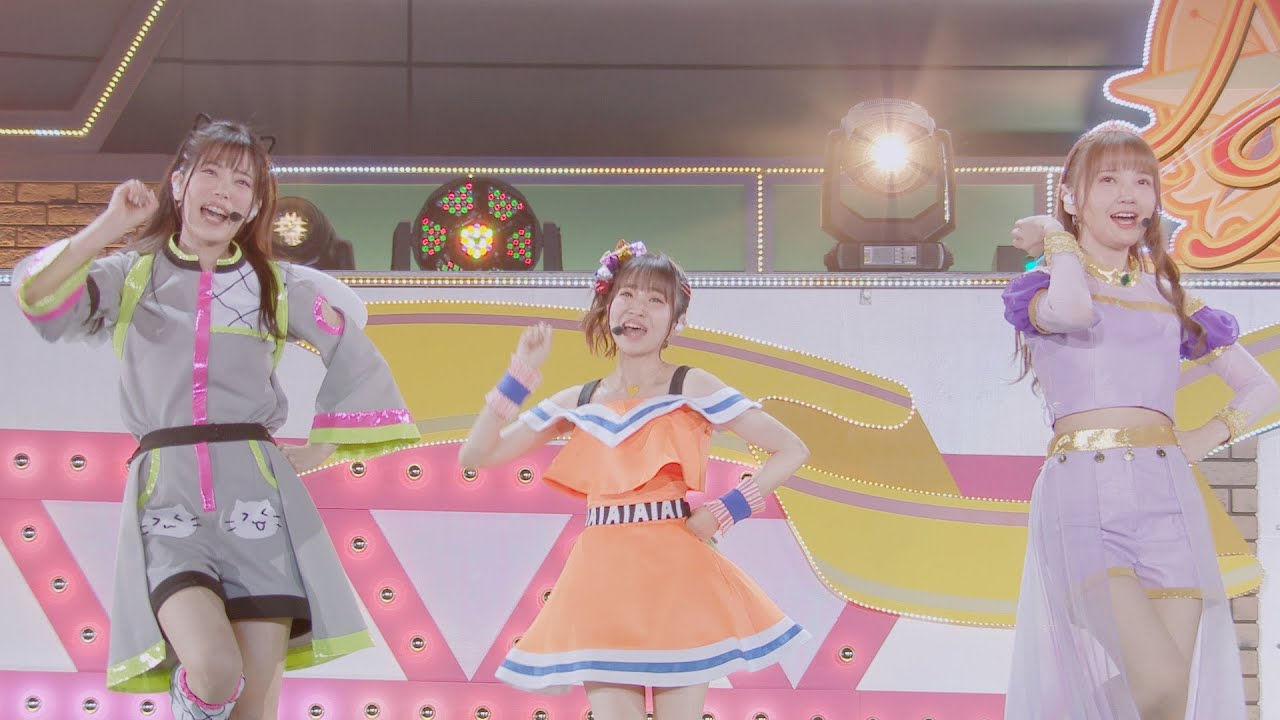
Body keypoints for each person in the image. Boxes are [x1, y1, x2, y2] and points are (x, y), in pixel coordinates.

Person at [12, 117, 420, 720]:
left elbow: (352, 351)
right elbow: (38, 296)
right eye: (211, 173)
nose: (225, 190)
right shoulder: (133, 275)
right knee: (213, 669)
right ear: (179, 184)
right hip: (168, 502)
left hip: (258, 504)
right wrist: (110, 227)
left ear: (253, 207)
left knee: (255, 709)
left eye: (243, 182)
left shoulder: (274, 286)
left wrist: (322, 445)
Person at [459, 241, 811, 718]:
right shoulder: (581, 400)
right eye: (626, 294)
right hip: (601, 576)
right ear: (607, 305)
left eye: (655, 299)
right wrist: (520, 375)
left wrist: (724, 511)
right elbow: (477, 454)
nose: (637, 308)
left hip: (677, 574)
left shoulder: (691, 385)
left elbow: (792, 449)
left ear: (675, 321)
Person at [1001, 122, 1278, 719]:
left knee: (1166, 702)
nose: (1129, 194)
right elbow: (1075, 310)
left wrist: (1204, 437)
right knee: (1157, 683)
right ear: (1072, 196)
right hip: (1085, 496)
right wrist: (1057, 237)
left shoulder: (1170, 296)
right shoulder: (1043, 288)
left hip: (1166, 498)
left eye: (1142, 181)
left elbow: (1262, 387)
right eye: (1108, 180)